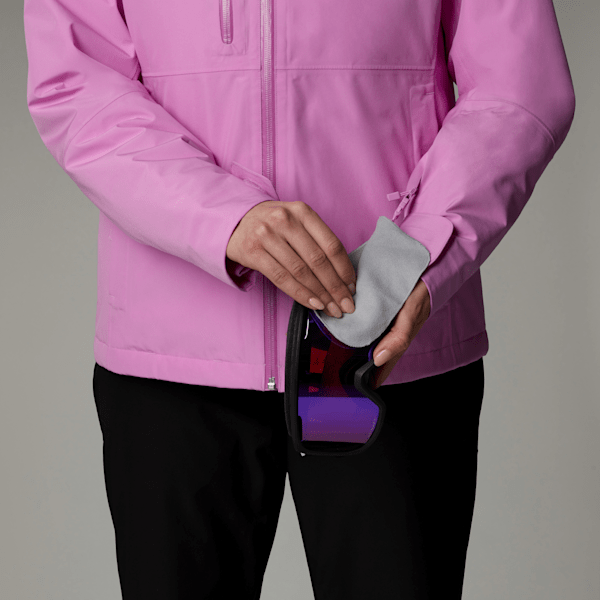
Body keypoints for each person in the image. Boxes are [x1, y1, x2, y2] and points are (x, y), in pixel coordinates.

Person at [24, 0, 575, 598]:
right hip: (176, 358)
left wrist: (412, 255)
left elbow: (519, 86)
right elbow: (77, 85)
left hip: (377, 344)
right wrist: (221, 217)